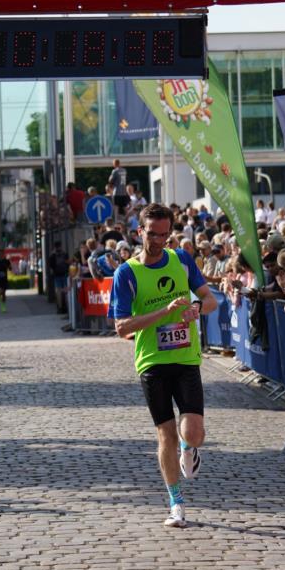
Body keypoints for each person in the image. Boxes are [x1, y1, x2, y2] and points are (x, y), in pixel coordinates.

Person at [111, 203, 217, 529]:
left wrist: (196, 308)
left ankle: (189, 447)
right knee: (165, 435)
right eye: (152, 234)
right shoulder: (127, 273)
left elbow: (210, 299)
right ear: (139, 232)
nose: (158, 241)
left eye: (164, 234)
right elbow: (121, 327)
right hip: (152, 362)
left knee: (193, 433)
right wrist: (164, 312)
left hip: (185, 358)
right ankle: (176, 503)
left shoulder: (181, 259)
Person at [48, 241, 70, 313]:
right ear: (61, 246)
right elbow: (68, 263)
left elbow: (51, 266)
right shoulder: (65, 254)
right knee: (66, 291)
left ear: (54, 247)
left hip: (57, 275)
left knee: (58, 291)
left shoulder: (52, 255)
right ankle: (68, 308)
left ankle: (60, 308)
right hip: (64, 274)